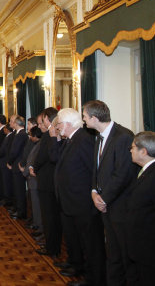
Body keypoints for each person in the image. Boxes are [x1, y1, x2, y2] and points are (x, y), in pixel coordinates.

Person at [83, 100, 137, 286]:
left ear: (94, 118)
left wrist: (104, 198)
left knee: (124, 253)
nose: (83, 120)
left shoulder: (123, 137)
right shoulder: (98, 136)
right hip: (103, 202)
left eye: (84, 116)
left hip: (119, 205)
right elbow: (95, 169)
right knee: (112, 252)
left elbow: (123, 173)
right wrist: (93, 191)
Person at [54, 108, 106, 286]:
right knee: (75, 238)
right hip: (71, 200)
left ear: (67, 124)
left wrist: (94, 193)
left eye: (59, 123)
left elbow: (93, 171)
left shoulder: (83, 140)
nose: (58, 127)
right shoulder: (71, 139)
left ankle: (94, 279)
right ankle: (77, 266)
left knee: (91, 244)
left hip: (83, 202)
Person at [30, 107, 62, 259]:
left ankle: (52, 247)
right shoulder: (50, 134)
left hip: (47, 181)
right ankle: (50, 243)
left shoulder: (51, 135)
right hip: (46, 180)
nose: (41, 124)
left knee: (50, 216)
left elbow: (45, 156)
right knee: (49, 216)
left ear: (48, 119)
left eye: (42, 121)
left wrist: (34, 167)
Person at [127, 131, 155, 285]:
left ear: (143, 151)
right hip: (141, 245)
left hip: (149, 247)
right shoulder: (147, 171)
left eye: (132, 147)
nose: (130, 150)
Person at [7, 115, 28, 220]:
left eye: (13, 122)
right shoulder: (19, 134)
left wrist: (9, 162)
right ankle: (17, 208)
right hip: (16, 165)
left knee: (19, 190)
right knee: (17, 189)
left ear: (16, 123)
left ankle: (21, 212)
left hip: (17, 165)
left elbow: (14, 151)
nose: (12, 124)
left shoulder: (21, 135)